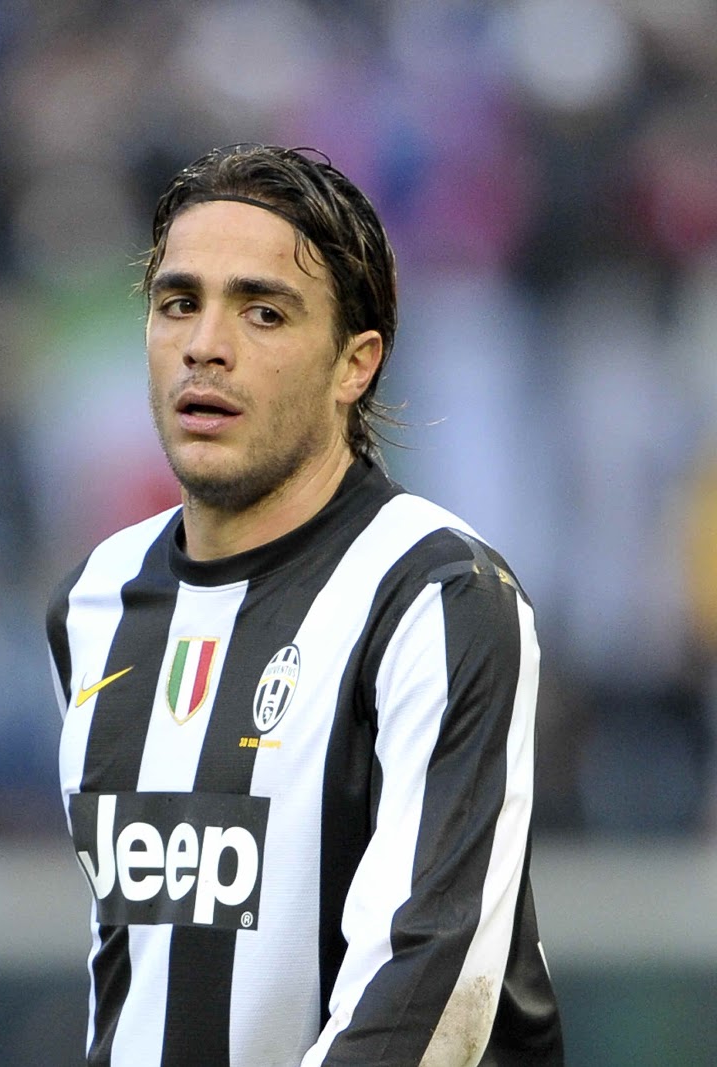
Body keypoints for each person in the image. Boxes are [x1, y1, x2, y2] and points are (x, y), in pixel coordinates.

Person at [45, 144, 564, 1066]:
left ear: (354, 364)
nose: (206, 344)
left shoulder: (437, 596)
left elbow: (430, 989)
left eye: (264, 311)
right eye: (179, 303)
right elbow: (132, 966)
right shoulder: (94, 603)